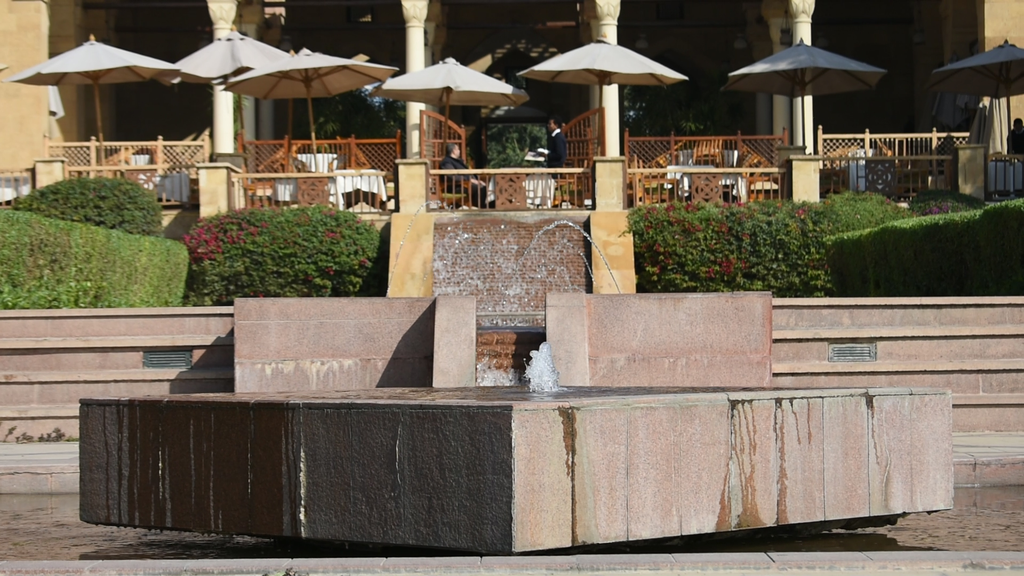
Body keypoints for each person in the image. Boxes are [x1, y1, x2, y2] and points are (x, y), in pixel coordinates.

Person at [438, 143, 492, 208]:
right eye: (458, 149)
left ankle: (480, 207)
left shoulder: (458, 161)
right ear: (454, 151)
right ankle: (478, 209)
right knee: (479, 187)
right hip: (454, 187)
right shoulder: (447, 162)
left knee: (483, 185)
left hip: (464, 184)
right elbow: (451, 176)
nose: (459, 151)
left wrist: (476, 180)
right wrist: (470, 180)